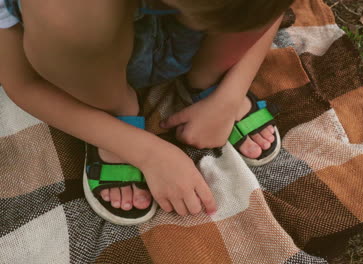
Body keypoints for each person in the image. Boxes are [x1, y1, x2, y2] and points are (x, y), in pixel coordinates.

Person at [0, 0, 292, 225]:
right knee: (69, 15)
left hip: (190, 42)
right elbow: (23, 83)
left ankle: (210, 79)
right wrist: (143, 151)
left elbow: (269, 10)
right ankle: (116, 110)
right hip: (87, 49)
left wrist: (230, 94)